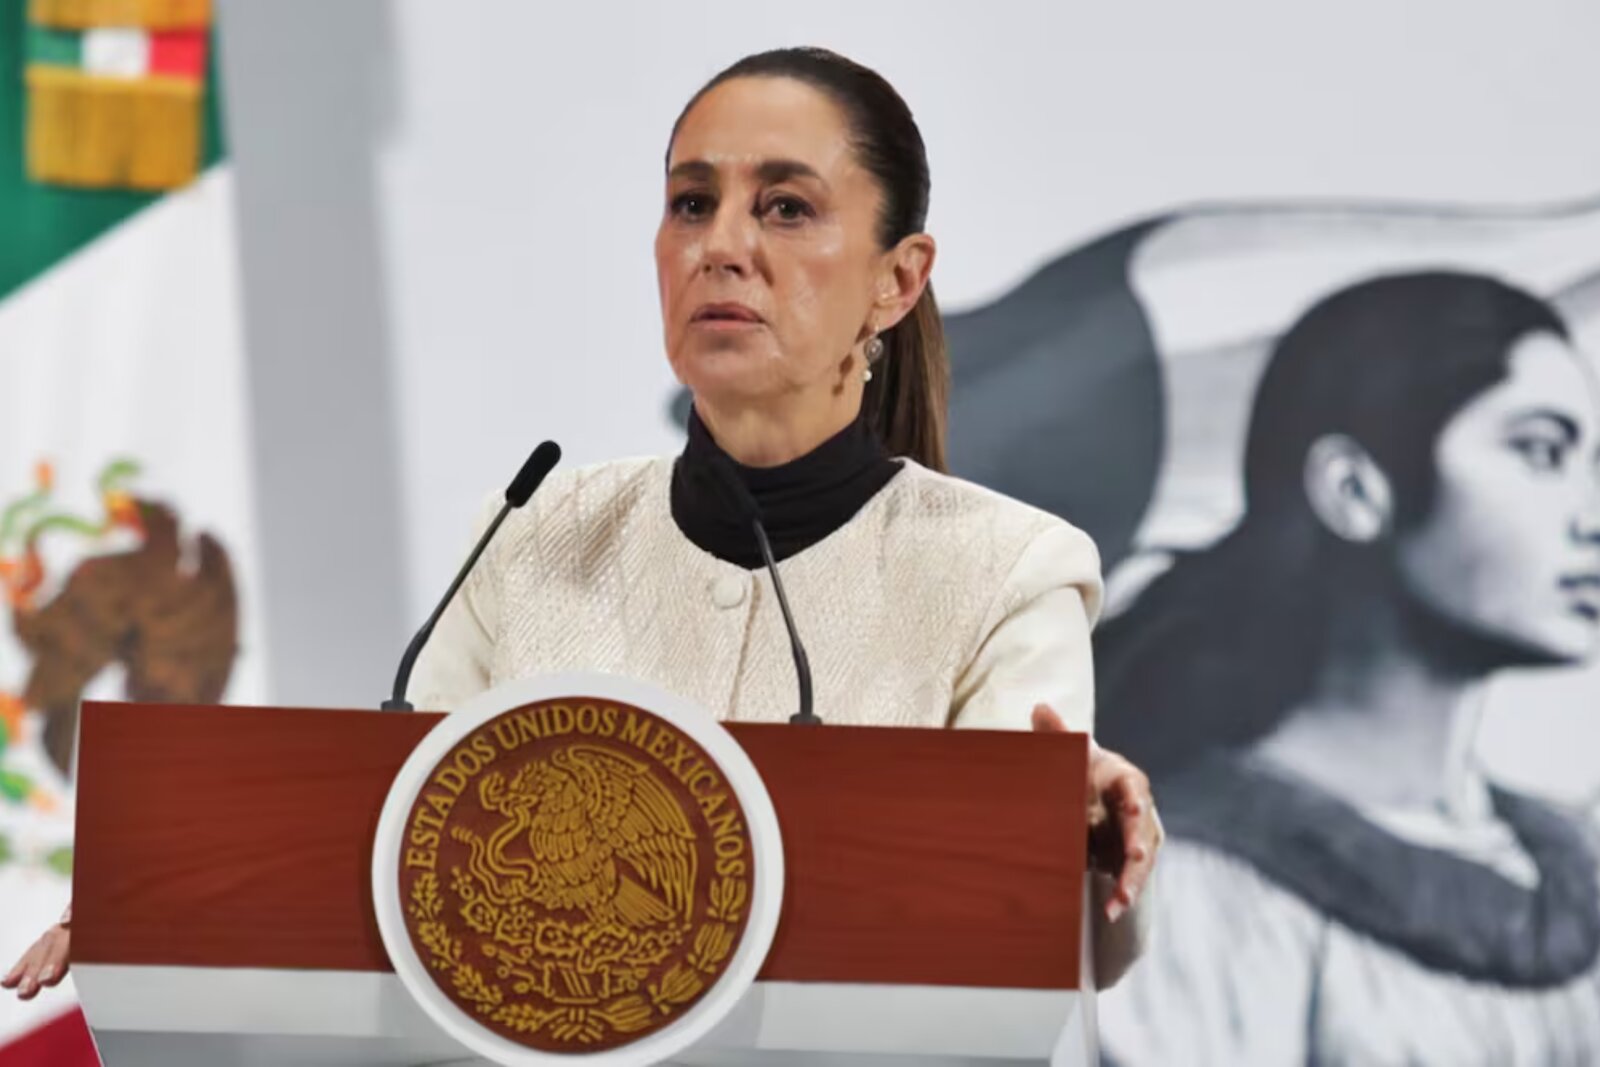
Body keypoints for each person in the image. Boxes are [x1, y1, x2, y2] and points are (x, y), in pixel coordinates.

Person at [6, 46, 1161, 1002]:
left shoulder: (1007, 569)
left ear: (896, 281)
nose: (721, 245)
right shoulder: (533, 532)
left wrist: (1068, 828)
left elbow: (1020, 914)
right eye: (691, 203)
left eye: (786, 207)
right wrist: (176, 909)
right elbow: (390, 849)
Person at [1094, 271, 1600, 1065]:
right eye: (1541, 451)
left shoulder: (1569, 855)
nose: (1591, 513)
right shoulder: (1183, 888)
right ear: (1355, 490)